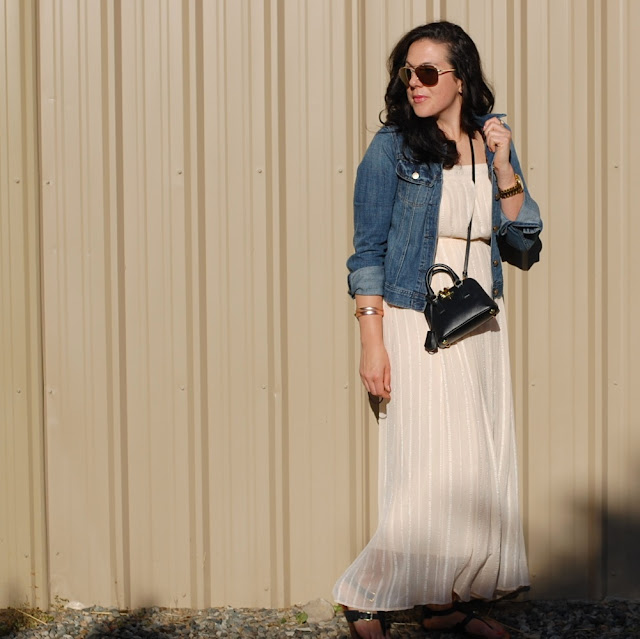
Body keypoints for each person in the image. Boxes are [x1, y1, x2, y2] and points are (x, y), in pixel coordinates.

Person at [332, 21, 542, 639]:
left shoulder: (493, 139)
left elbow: (524, 245)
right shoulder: (393, 146)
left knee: (475, 471)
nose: (415, 84)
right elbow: (367, 247)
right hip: (412, 319)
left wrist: (506, 167)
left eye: (429, 73)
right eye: (408, 72)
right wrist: (372, 341)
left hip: (478, 321)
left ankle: (448, 602)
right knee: (426, 468)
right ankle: (367, 593)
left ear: (461, 78)